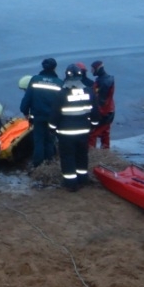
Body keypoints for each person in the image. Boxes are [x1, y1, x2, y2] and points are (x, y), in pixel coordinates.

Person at [48, 63, 99, 191]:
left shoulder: (62, 94)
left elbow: (55, 114)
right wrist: (93, 125)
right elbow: (95, 112)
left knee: (67, 156)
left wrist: (52, 128)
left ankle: (71, 183)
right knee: (82, 155)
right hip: (83, 131)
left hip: (66, 133)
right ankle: (83, 178)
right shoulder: (88, 91)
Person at [20, 58, 63, 167]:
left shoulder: (35, 79)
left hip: (38, 117)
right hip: (52, 118)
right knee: (49, 140)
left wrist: (25, 111)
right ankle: (49, 164)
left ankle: (38, 166)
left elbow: (27, 98)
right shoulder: (59, 83)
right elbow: (62, 102)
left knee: (38, 141)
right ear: (55, 68)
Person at [89, 60, 116, 149]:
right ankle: (105, 152)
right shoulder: (107, 79)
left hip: (104, 113)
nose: (91, 71)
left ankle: (92, 153)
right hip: (110, 111)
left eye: (93, 69)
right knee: (105, 133)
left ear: (98, 69)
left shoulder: (102, 82)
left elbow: (101, 101)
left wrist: (96, 114)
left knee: (92, 134)